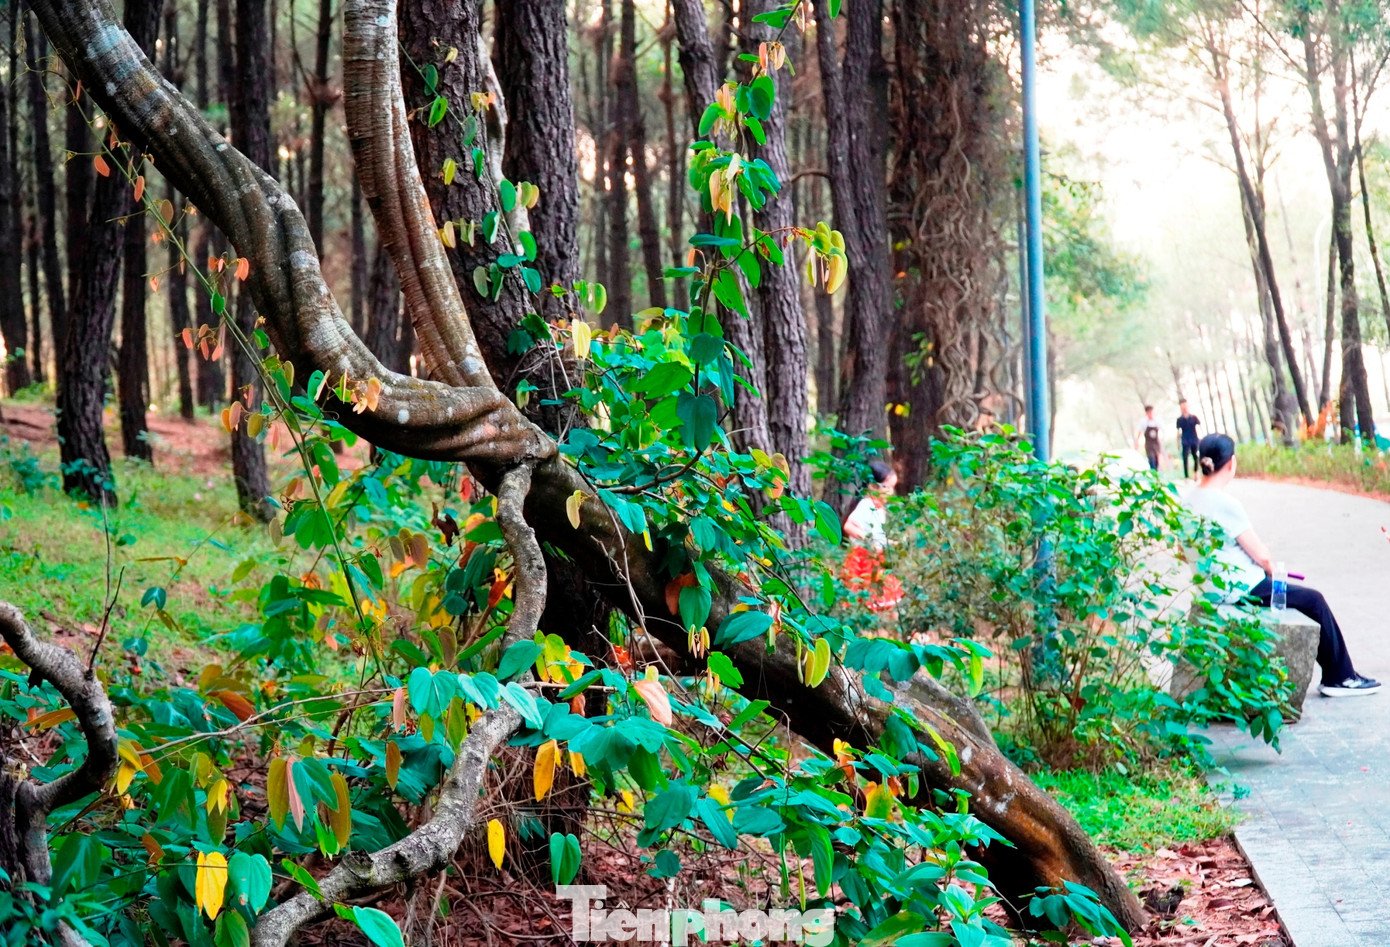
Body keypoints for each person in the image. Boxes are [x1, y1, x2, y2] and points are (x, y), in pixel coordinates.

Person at [1183, 433, 1380, 697]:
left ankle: (1340, 676)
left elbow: (1181, 552)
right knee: (1314, 601)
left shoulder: (1188, 501)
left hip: (1210, 590)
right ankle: (1341, 678)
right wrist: (1273, 571)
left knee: (1304, 598)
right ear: (1231, 463)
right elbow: (1261, 557)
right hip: (1242, 589)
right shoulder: (1225, 503)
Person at [842, 460, 904, 613]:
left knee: (883, 594)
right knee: (864, 595)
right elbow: (848, 526)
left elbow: (878, 535)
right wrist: (867, 539)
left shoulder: (879, 509)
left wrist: (890, 543)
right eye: (888, 488)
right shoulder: (866, 504)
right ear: (873, 486)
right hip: (863, 558)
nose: (891, 493)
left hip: (877, 557)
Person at [1175, 400, 1201, 478]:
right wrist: (1177, 442)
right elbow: (1178, 432)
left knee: (1195, 457)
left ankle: (1195, 473)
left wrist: (1201, 439)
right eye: (1182, 407)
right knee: (1185, 458)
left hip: (1194, 439)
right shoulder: (1179, 419)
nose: (1184, 408)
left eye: (1185, 406)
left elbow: (1199, 427)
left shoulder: (1194, 417)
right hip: (1185, 440)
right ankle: (1186, 476)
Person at [1135, 405, 1162, 471]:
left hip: (1156, 443)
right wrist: (1137, 442)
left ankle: (1157, 475)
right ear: (1146, 413)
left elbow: (1161, 432)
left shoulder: (1157, 421)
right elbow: (1139, 432)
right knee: (1151, 460)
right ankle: (1153, 474)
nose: (1151, 414)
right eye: (1149, 412)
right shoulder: (1143, 422)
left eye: (1152, 412)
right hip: (1149, 444)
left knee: (1156, 461)